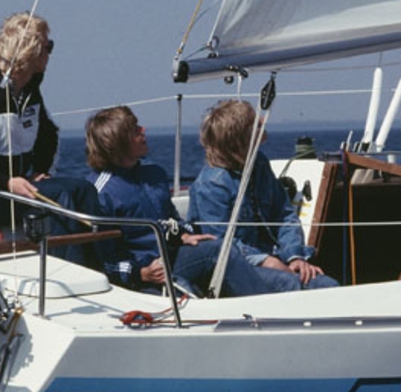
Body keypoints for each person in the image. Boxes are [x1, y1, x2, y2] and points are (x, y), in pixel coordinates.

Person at [84, 106, 300, 297]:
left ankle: (266, 306)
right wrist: (141, 273)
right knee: (188, 293)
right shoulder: (99, 192)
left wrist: (184, 234)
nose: (143, 130)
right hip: (145, 272)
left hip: (174, 257)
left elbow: (170, 219)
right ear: (119, 141)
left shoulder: (153, 174)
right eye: (135, 130)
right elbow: (99, 260)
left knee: (218, 248)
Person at [0, 13, 99, 238]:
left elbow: (49, 135)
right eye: (48, 47)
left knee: (83, 189)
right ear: (31, 52)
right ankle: (65, 258)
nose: (50, 53)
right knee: (61, 197)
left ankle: (103, 258)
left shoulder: (29, 92)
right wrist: (6, 182)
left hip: (17, 189)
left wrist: (41, 172)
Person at [189, 99, 336, 290]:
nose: (262, 121)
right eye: (255, 123)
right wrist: (266, 261)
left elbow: (283, 214)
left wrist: (295, 256)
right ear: (241, 137)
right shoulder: (212, 184)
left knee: (325, 281)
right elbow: (220, 244)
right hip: (235, 266)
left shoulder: (259, 163)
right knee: (294, 284)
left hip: (271, 254)